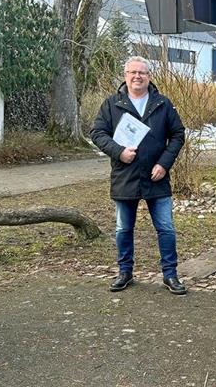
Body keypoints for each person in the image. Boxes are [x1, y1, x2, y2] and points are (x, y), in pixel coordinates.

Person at [90, 56, 187, 295]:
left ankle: (170, 274)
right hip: (125, 176)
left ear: (149, 76)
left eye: (142, 73)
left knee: (166, 228)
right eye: (133, 72)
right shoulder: (112, 104)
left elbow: (177, 135)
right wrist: (119, 152)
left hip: (157, 177)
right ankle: (125, 272)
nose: (137, 77)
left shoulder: (162, 104)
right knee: (123, 228)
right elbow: (97, 133)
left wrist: (164, 164)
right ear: (125, 75)